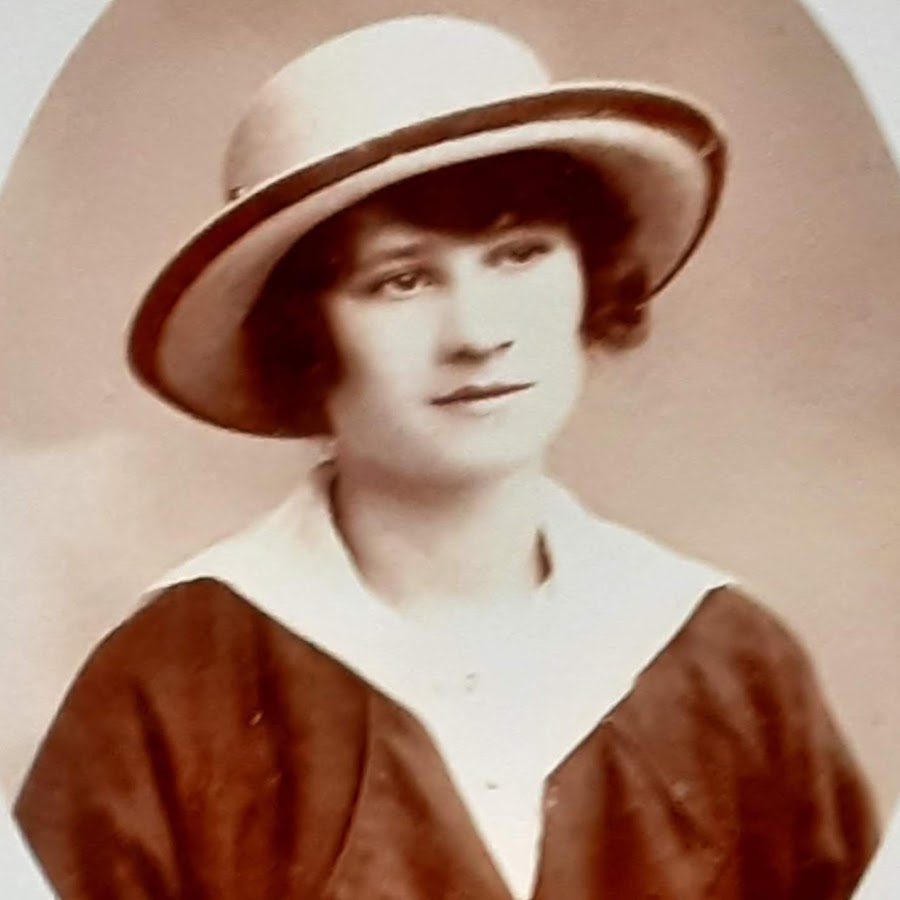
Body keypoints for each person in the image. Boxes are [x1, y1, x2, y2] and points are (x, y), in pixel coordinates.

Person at [13, 14, 878, 899]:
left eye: (520, 255)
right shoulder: (168, 686)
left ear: (588, 278)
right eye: (402, 279)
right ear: (304, 333)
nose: (478, 333)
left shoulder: (730, 662)